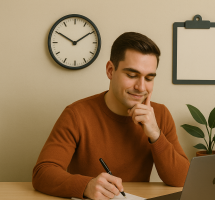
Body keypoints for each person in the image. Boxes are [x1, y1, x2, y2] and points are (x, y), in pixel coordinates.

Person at [32, 32, 190, 200]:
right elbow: (43, 172)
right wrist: (86, 186)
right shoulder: (76, 114)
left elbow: (183, 179)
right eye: (131, 75)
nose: (141, 87)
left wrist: (155, 135)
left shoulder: (160, 114)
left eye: (149, 78)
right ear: (110, 70)